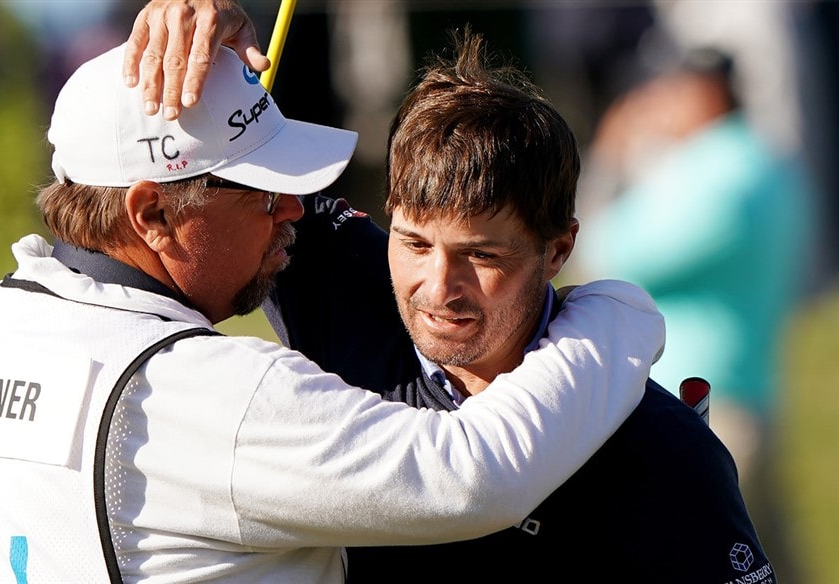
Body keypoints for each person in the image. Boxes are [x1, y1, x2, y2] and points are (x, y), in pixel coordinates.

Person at [0, 40, 665, 582]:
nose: (296, 212)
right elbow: (471, 479)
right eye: (263, 191)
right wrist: (620, 314)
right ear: (151, 214)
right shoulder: (206, 392)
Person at [121, 4, 774, 580]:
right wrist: (206, 43)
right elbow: (228, 177)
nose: (437, 289)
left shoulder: (668, 454)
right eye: (412, 243)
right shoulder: (349, 287)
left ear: (558, 249)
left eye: (481, 256)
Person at [578, 47, 814, 581]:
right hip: (748, 391)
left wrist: (612, 156)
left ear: (702, 93)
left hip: (702, 407)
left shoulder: (713, 171)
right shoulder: (770, 161)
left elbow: (601, 253)